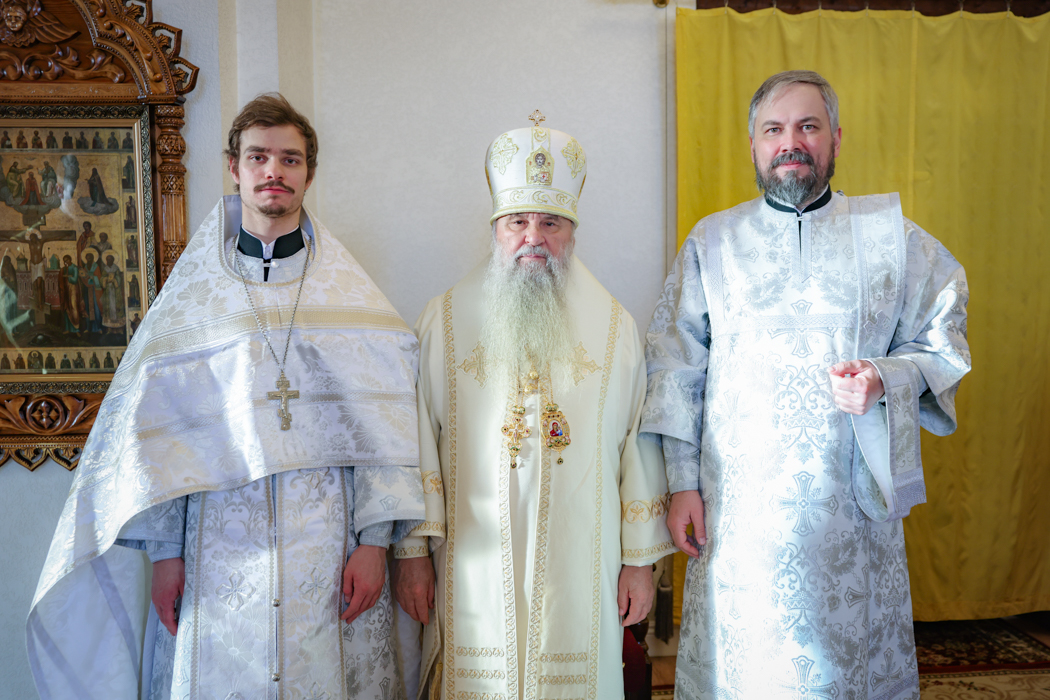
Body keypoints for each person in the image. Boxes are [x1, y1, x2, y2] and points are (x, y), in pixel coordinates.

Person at [28, 93, 428, 700]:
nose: (274, 172)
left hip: (329, 547)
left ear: (309, 174)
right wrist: (166, 555)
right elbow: (160, 436)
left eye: (290, 159)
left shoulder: (353, 303)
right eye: (258, 157)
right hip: (215, 550)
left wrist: (375, 545)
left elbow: (382, 426)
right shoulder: (193, 302)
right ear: (234, 168)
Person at [641, 70, 971, 700]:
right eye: (774, 129)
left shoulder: (889, 236)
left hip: (850, 517)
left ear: (835, 139)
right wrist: (682, 483)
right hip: (739, 514)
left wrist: (885, 378)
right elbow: (675, 366)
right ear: (754, 145)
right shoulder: (713, 241)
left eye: (807, 126)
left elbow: (944, 335)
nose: (790, 142)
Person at [400, 115, 674, 699]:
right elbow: (417, 440)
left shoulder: (615, 329)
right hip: (470, 564)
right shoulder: (443, 321)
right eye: (517, 221)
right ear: (496, 229)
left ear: (571, 232)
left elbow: (638, 446)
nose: (533, 237)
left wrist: (638, 563)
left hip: (583, 566)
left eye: (550, 222)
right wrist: (413, 554)